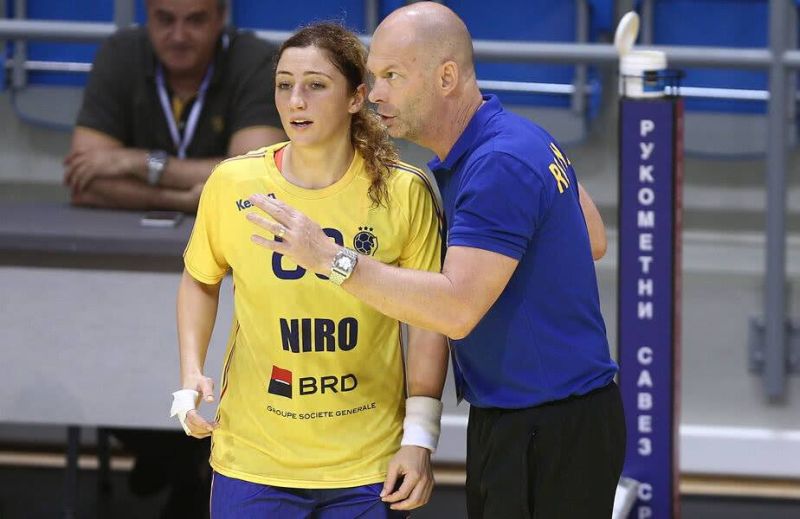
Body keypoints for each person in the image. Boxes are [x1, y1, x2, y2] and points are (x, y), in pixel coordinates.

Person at [245, 3, 625, 518]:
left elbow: (455, 311)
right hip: (539, 416)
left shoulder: (498, 163)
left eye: (393, 76)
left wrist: (330, 258)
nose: (375, 93)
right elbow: (592, 238)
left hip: (546, 427)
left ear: (446, 77)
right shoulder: (522, 137)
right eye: (374, 76)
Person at [171, 22, 449, 517]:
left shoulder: (404, 191)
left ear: (356, 98)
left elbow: (429, 321)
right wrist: (191, 371)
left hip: (368, 463)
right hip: (254, 460)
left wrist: (420, 439)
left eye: (316, 85)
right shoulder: (233, 183)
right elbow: (200, 278)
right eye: (284, 85)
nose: (295, 101)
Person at [63, 0, 284, 212]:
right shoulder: (120, 54)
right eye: (165, 20)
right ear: (148, 13)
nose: (179, 37)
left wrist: (138, 163)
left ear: (220, 18)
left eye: (195, 20)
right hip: (127, 232)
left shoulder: (256, 62)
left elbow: (255, 176)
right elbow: (85, 180)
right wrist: (180, 201)